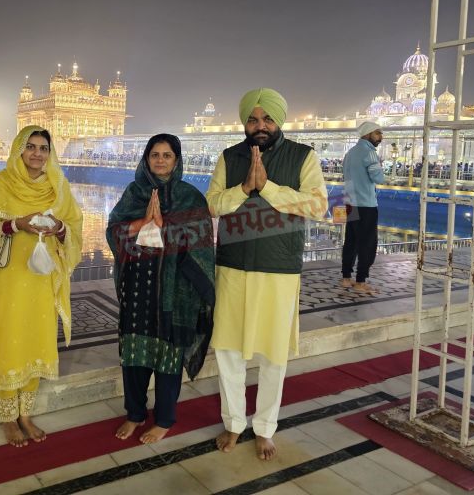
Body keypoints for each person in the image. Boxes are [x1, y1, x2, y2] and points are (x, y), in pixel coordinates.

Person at [207, 88, 328, 461]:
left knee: (274, 355)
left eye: (267, 119)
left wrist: (269, 188)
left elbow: (319, 206)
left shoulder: (303, 156)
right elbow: (212, 204)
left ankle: (264, 428)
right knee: (228, 351)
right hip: (233, 267)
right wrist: (244, 188)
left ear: (280, 121)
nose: (260, 126)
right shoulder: (229, 158)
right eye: (253, 119)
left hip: (279, 271)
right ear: (245, 122)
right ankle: (233, 422)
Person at [106, 134, 215, 444]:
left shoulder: (190, 197)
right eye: (155, 154)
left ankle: (165, 418)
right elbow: (113, 231)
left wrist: (165, 227)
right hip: (138, 287)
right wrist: (141, 223)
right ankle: (135, 413)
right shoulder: (134, 192)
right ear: (146, 158)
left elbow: (203, 244)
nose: (161, 160)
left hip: (174, 292)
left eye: (167, 155)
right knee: (135, 356)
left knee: (168, 358)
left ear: (176, 160)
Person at [0, 125, 83, 447]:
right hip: (11, 275)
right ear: (19, 150)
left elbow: (75, 226)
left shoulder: (58, 186)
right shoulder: (1, 183)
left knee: (36, 338)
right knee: (10, 339)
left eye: (44, 148)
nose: (38, 154)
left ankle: (26, 413)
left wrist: (61, 229)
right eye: (32, 147)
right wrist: (16, 224)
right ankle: (8, 417)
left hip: (43, 275)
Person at [341, 121, 385, 294]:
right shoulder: (370, 153)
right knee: (367, 243)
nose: (381, 137)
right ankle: (360, 281)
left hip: (349, 203)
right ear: (367, 134)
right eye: (377, 133)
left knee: (350, 241)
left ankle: (346, 278)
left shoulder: (350, 153)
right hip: (366, 204)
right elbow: (379, 178)